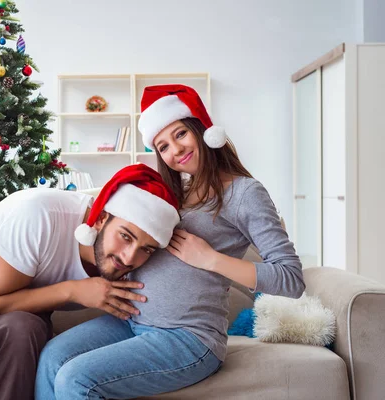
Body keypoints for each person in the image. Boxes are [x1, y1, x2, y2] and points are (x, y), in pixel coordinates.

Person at [35, 84, 306, 399]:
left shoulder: (245, 193)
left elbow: (291, 279)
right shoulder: (173, 193)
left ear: (202, 129)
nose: (175, 151)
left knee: (76, 379)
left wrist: (211, 259)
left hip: (187, 339)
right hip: (132, 322)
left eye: (180, 134)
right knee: (52, 357)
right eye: (162, 146)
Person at [0, 163, 181, 400]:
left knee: (24, 331)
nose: (129, 257)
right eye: (126, 236)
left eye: (146, 249)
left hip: (22, 307)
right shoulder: (42, 214)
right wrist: (73, 290)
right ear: (100, 220)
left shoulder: (136, 263)